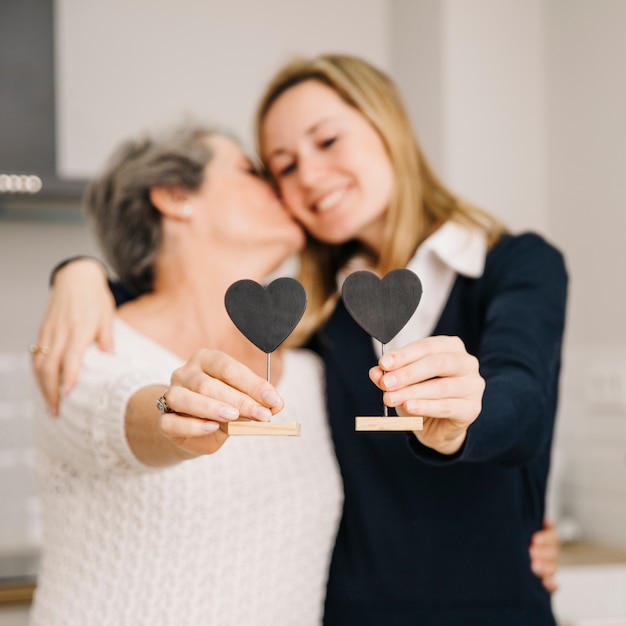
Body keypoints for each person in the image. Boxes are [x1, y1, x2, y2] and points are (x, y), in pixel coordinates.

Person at [32, 54, 565, 624]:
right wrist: (79, 272)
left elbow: (524, 400)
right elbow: (144, 341)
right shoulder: (317, 323)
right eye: (279, 167)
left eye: (328, 141)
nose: (305, 179)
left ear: (388, 127)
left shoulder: (511, 266)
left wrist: (469, 413)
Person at [28, 124, 344, 626]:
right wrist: (177, 411)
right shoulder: (85, 346)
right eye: (250, 171)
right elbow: (122, 413)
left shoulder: (315, 373)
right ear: (175, 197)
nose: (285, 187)